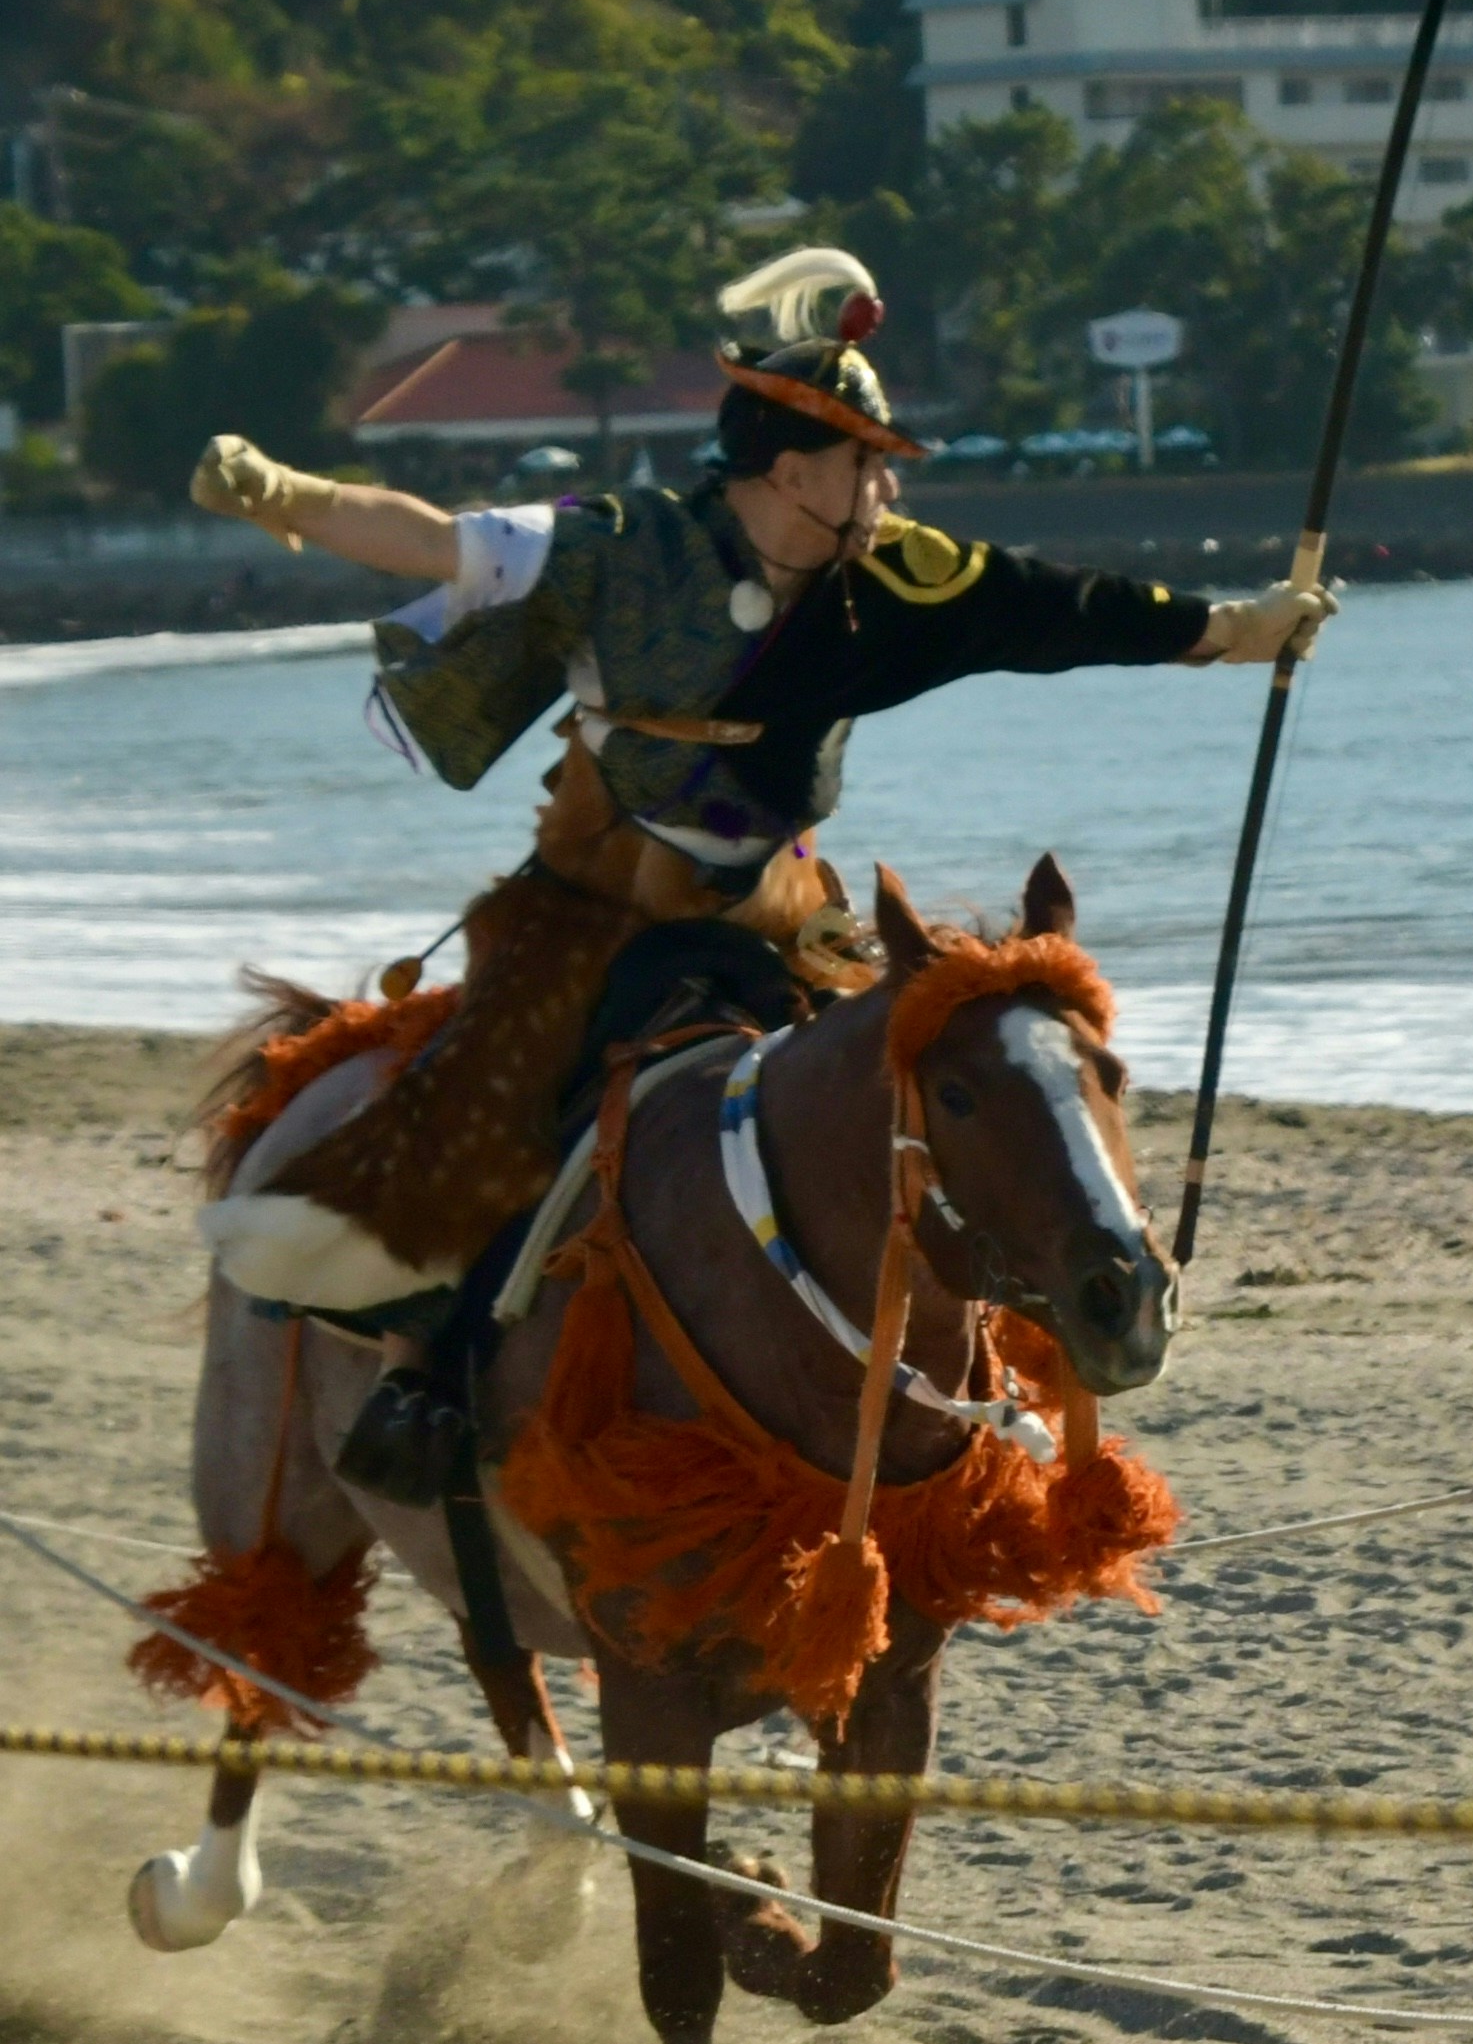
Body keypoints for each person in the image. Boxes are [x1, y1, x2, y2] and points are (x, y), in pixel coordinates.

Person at [188, 247, 1336, 1496]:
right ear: (794, 473)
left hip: (777, 913)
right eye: (867, 462)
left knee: (930, 1099)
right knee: (490, 1105)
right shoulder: (620, 547)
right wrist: (286, 495)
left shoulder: (890, 580)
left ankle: (992, 1362)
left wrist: (1233, 632)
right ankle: (432, 1377)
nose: (887, 485)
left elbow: (1061, 608)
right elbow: (439, 542)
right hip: (594, 911)